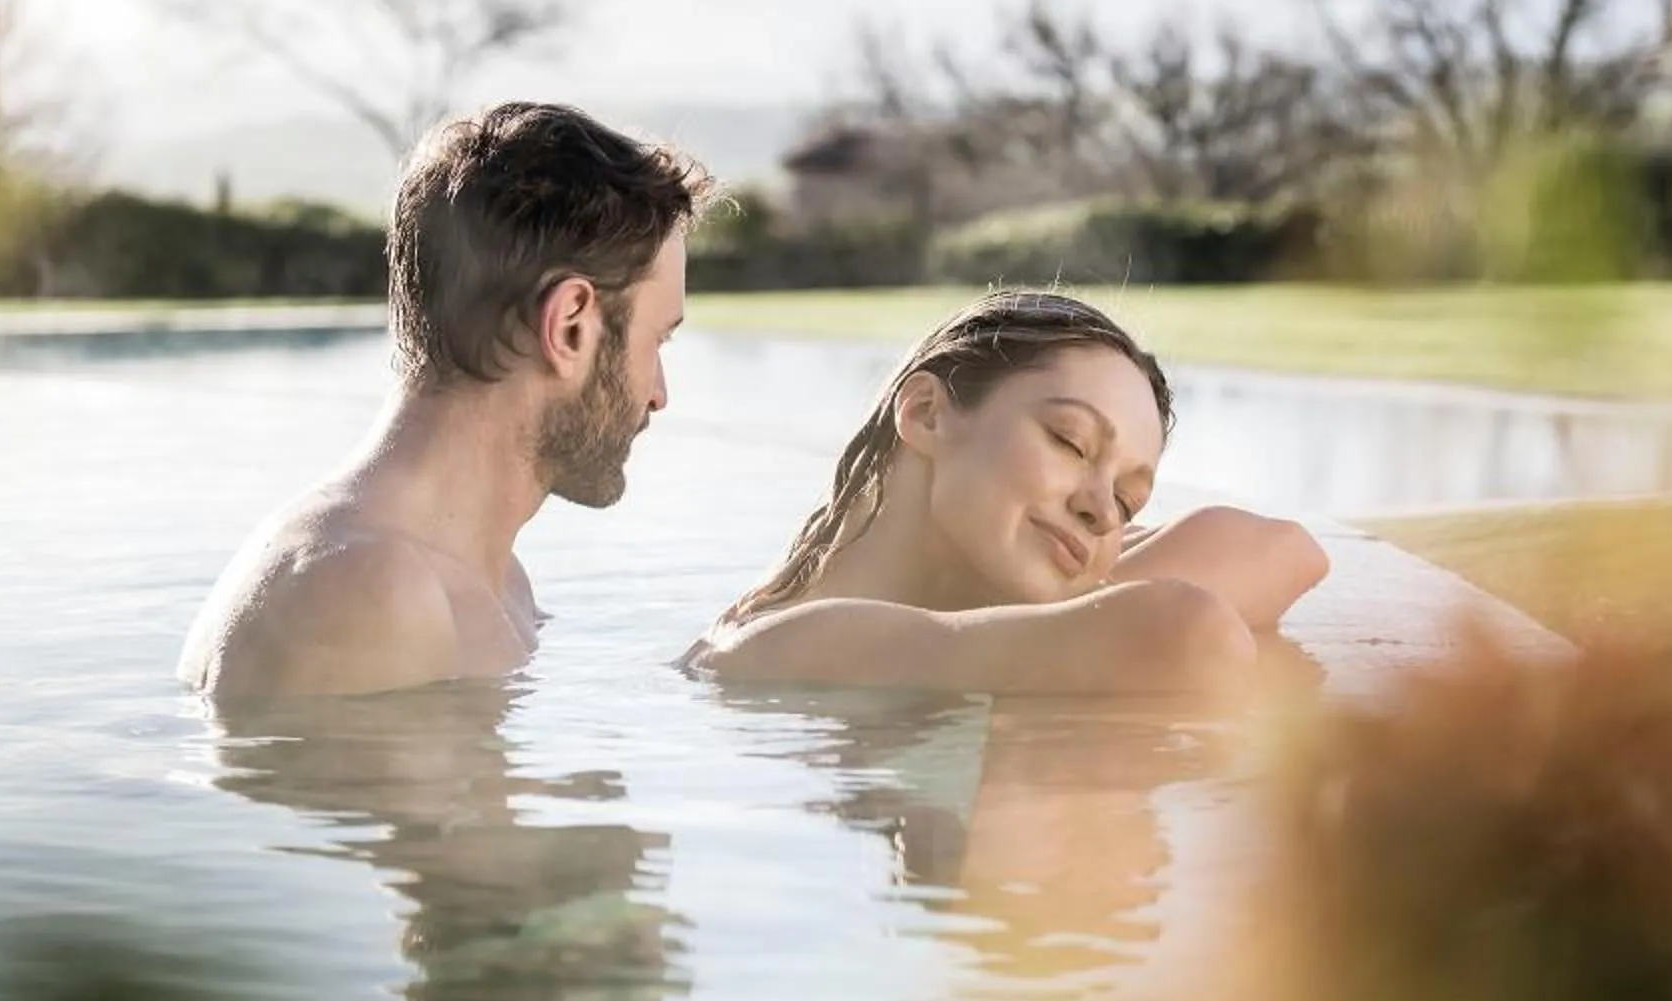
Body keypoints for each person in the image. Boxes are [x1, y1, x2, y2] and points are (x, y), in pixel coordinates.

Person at [183, 102, 708, 701]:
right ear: (569, 326)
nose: (660, 393)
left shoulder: (497, 583)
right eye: (657, 340)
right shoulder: (368, 595)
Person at [693, 290, 1331, 694]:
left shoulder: (956, 611)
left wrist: (1060, 594)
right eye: (1070, 442)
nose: (1102, 510)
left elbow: (1286, 551)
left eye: (1129, 501)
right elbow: (1188, 634)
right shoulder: (788, 646)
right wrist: (1078, 605)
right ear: (926, 415)